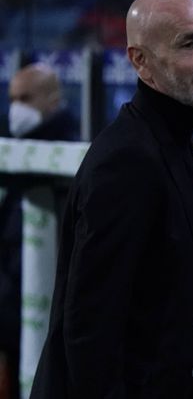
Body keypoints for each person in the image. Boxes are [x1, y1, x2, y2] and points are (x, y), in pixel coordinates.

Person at [29, 0, 193, 398]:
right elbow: (90, 325)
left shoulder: (175, 138)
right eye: (190, 43)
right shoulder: (127, 160)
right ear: (140, 61)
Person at [0, 62, 80, 399]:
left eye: (25, 98)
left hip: (44, 317)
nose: (16, 108)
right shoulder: (13, 160)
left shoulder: (71, 165)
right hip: (12, 315)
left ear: (53, 99)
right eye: (12, 99)